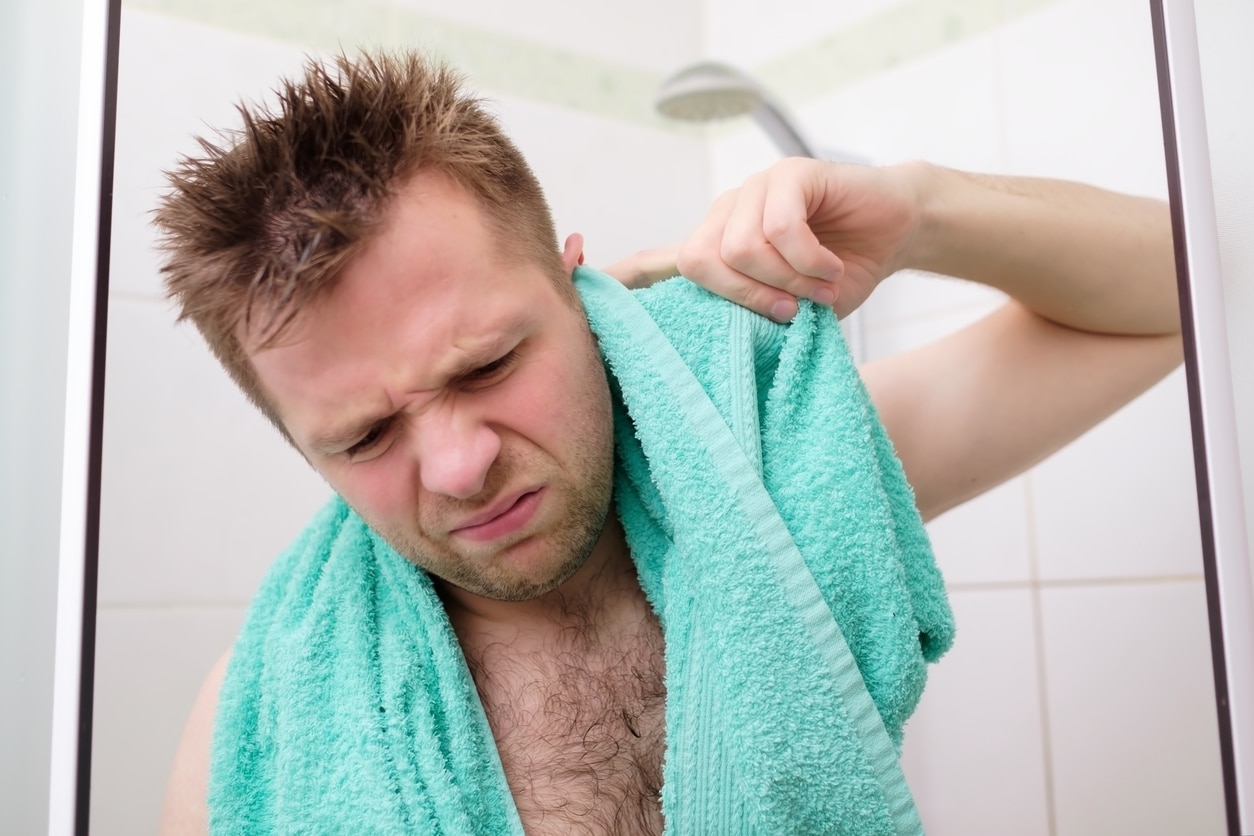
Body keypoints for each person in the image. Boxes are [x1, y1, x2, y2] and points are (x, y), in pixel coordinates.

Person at [155, 51, 1180, 835]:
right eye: (367, 434)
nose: (461, 464)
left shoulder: (779, 477)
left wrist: (921, 214)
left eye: (488, 365)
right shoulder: (259, 716)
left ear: (579, 284)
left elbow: (1178, 299)